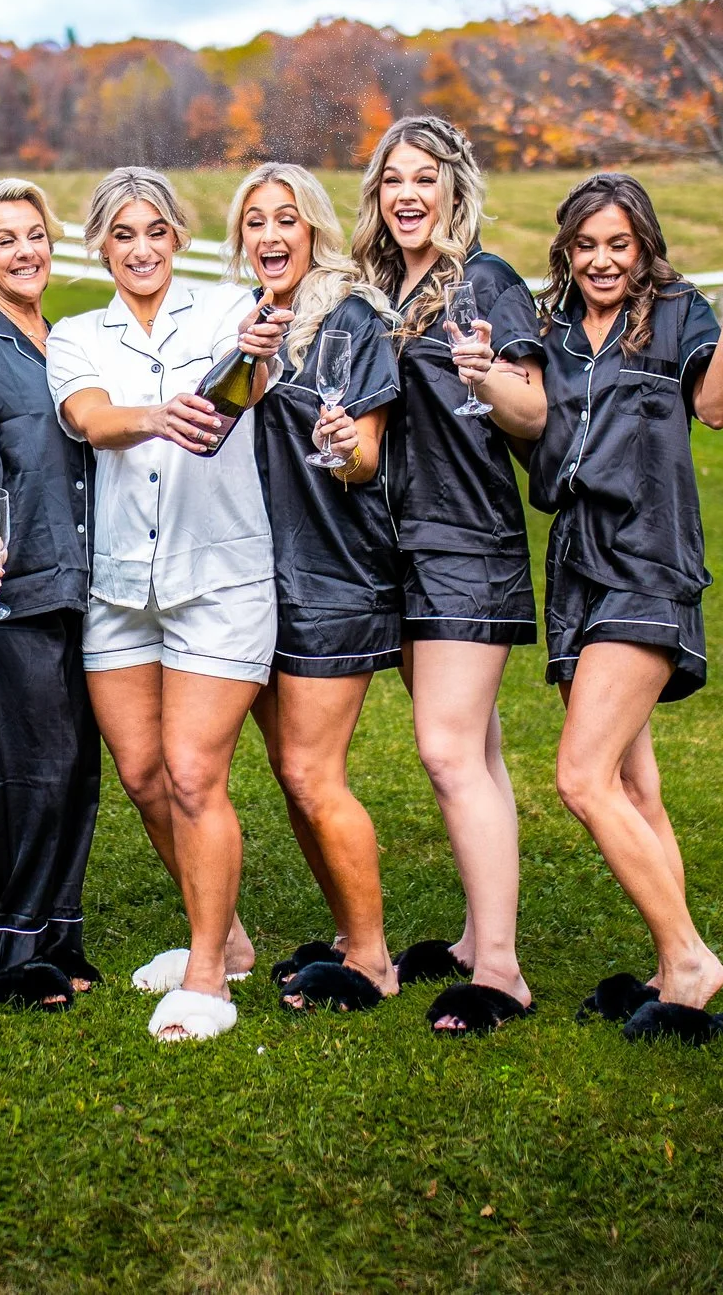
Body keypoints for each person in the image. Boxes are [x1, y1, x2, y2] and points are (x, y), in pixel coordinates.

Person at [46, 166, 288, 1044]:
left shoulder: (228, 313)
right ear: (102, 247)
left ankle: (204, 976)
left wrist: (256, 349)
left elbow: (251, 382)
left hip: (219, 579)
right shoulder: (75, 333)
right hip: (118, 587)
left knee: (194, 774)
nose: (141, 248)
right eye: (122, 235)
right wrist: (156, 414)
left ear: (177, 235)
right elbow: (90, 418)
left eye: (155, 230)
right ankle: (230, 938)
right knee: (145, 777)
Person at [527, 171, 723, 1045]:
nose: (601, 259)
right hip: (576, 565)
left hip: (647, 558)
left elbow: (717, 407)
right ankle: (673, 972)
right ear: (567, 248)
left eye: (618, 245)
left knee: (580, 778)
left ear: (643, 247)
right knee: (635, 784)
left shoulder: (678, 311)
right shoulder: (549, 325)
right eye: (586, 244)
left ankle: (691, 955)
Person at [352, 114, 550, 1037]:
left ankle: (502, 971)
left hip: (467, 543)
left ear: (454, 188)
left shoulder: (487, 280)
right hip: (398, 545)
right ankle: (478, 936)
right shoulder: (386, 289)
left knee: (444, 747)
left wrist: (490, 373)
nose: (408, 193)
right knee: (476, 752)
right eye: (393, 178)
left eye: (425, 177)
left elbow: (534, 413)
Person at [222, 163, 409, 1019]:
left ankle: (372, 958)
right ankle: (345, 930)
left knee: (310, 768)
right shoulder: (249, 323)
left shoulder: (352, 318)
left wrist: (342, 446)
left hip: (332, 575)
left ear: (314, 230)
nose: (269, 235)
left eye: (285, 219)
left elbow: (365, 457)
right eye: (255, 221)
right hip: (257, 577)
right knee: (288, 770)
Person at [0, 179, 101, 1011]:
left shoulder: (70, 339)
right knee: (29, 769)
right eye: (4, 239)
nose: (25, 250)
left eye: (34, 234)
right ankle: (15, 948)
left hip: (84, 580)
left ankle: (61, 933)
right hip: (9, 580)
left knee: (78, 770)